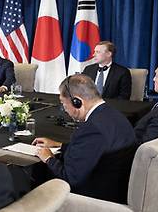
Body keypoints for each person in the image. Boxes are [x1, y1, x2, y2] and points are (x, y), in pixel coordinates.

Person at [32, 74, 136, 204]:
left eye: (64, 104)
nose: (65, 110)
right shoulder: (114, 114)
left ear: (77, 102)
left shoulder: (91, 128)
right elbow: (93, 150)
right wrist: (60, 145)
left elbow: (70, 178)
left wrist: (49, 159)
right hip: (118, 188)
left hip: (96, 200)